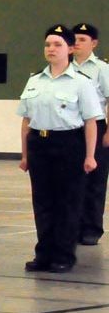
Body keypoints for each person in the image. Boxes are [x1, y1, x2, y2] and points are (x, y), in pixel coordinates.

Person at [18, 24, 101, 273]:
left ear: (70, 49)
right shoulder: (35, 80)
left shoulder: (81, 82)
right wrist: (25, 155)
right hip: (40, 145)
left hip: (69, 145)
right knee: (42, 202)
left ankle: (63, 255)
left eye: (57, 44)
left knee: (67, 202)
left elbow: (90, 121)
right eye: (47, 44)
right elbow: (26, 120)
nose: (51, 49)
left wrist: (89, 155)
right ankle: (44, 253)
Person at [70, 23, 109, 245]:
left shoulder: (102, 69)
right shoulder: (66, 67)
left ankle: (92, 228)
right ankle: (73, 227)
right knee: (74, 180)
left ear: (93, 43)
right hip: (72, 129)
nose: (77, 43)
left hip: (97, 127)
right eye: (74, 39)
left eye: (82, 39)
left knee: (95, 180)